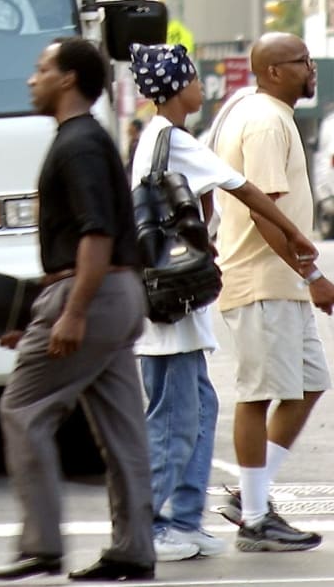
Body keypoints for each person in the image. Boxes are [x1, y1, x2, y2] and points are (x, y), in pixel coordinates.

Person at [128, 43, 319, 563]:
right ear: (176, 87)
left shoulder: (164, 138)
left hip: (177, 307)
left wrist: (206, 233)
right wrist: (302, 246)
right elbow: (249, 192)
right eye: (193, 78)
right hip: (173, 308)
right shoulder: (173, 137)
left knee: (201, 409)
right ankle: (149, 526)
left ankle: (185, 521)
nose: (201, 86)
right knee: (174, 421)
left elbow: (202, 193)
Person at [0, 38, 155, 583]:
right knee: (123, 432)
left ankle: (42, 544)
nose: (31, 79)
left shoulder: (77, 144)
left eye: (41, 70)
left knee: (23, 408)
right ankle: (133, 550)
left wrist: (72, 312)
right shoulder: (89, 139)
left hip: (95, 293)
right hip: (118, 295)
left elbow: (96, 232)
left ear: (68, 79)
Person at [208, 32, 334, 553]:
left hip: (280, 284)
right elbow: (264, 213)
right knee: (257, 394)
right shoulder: (262, 121)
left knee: (309, 383)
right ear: (274, 71)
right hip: (261, 282)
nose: (312, 69)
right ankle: (256, 519)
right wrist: (313, 276)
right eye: (302, 61)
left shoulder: (272, 115)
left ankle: (249, 495)